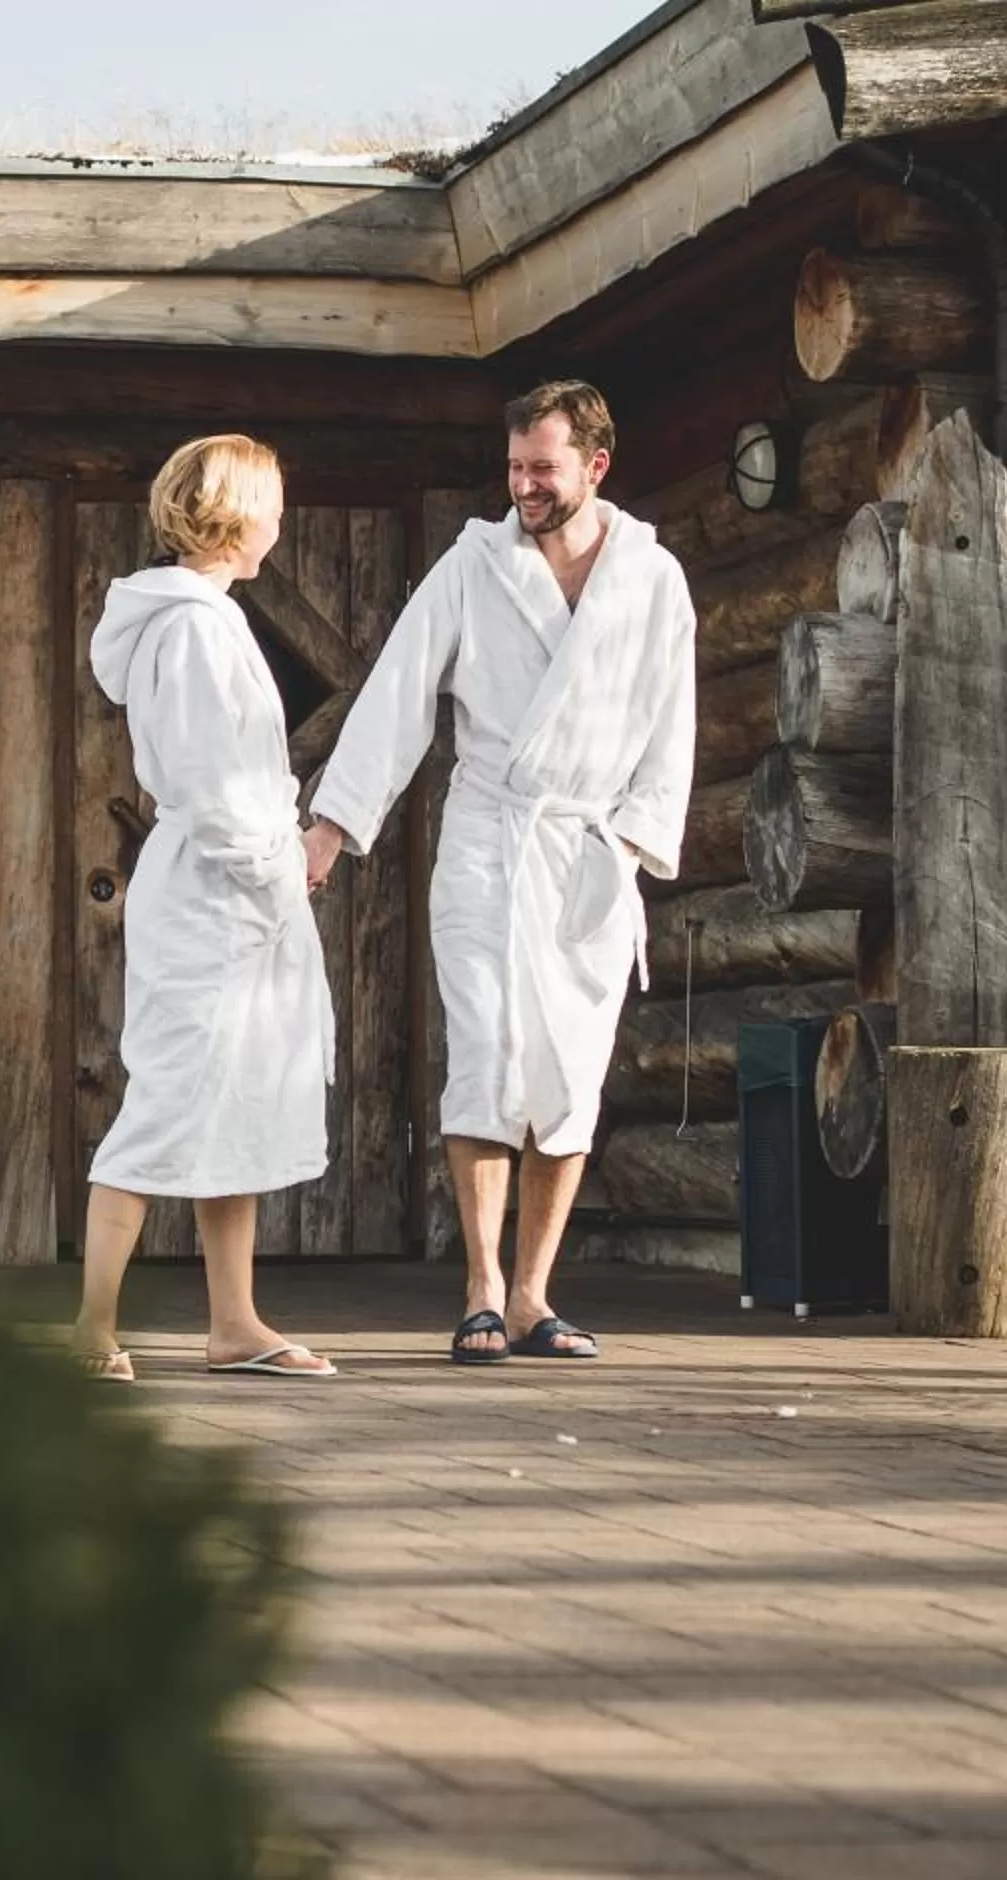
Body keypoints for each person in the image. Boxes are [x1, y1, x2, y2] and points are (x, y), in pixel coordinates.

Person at [302, 381, 696, 1364]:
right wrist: (332, 824)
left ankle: (532, 1294)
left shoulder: (652, 578)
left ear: (596, 466)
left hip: (588, 850)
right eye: (515, 466)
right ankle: (479, 1285)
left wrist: (637, 844)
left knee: (568, 1075)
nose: (522, 484)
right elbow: (397, 694)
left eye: (543, 469)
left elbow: (674, 721)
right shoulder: (473, 567)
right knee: (482, 1058)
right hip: (489, 837)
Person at [69, 434, 338, 1384]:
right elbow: (209, 779)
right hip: (215, 894)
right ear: (233, 513)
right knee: (172, 1095)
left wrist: (281, 860)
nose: (278, 518)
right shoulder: (187, 628)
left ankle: (235, 1323)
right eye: (271, 501)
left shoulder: (211, 618)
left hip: (239, 891)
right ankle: (94, 1328)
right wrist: (279, 865)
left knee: (241, 1099)